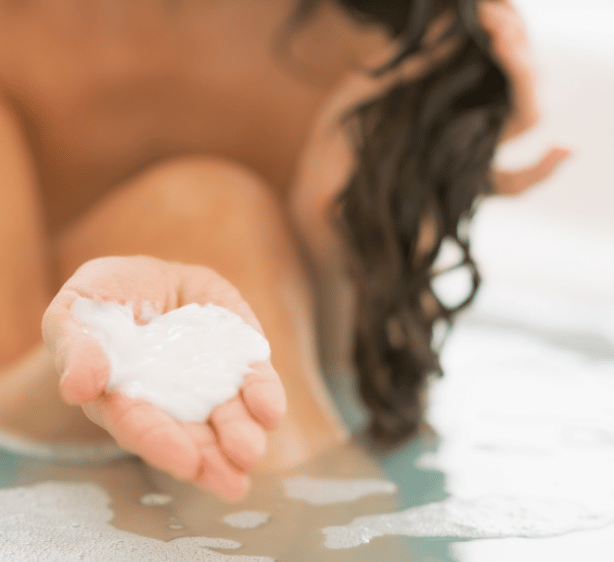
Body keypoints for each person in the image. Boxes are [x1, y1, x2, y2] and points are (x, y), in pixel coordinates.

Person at [0, 0, 569, 501]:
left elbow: (374, 383)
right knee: (205, 209)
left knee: (209, 216)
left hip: (243, 451)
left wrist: (341, 248)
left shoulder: (405, 29)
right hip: (53, 433)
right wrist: (110, 348)